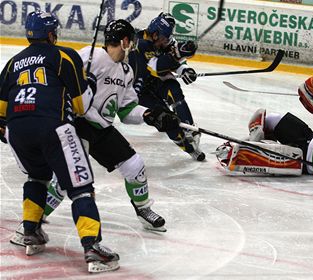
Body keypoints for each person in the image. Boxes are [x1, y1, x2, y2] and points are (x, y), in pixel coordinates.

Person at [8, 19, 182, 247]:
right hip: (77, 124)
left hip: (101, 128)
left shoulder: (127, 71)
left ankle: (143, 209)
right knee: (65, 181)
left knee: (135, 165)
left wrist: (151, 115)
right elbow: (58, 82)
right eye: (132, 41)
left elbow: (126, 110)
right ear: (125, 41)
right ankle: (32, 223)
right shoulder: (89, 57)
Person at [0, 11, 119, 273]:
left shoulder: (11, 63)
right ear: (52, 34)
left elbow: (0, 110)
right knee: (81, 187)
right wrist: (89, 83)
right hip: (53, 127)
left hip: (17, 130)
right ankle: (92, 248)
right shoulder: (63, 55)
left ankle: (30, 232)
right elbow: (80, 106)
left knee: (36, 177)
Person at [128, 12, 205, 161]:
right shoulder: (139, 43)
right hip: (140, 89)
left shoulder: (164, 40)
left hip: (156, 81)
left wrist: (184, 69)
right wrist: (177, 57)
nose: (166, 41)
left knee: (175, 91)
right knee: (166, 120)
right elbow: (156, 66)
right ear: (155, 34)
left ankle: (189, 129)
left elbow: (174, 57)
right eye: (164, 38)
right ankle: (189, 148)